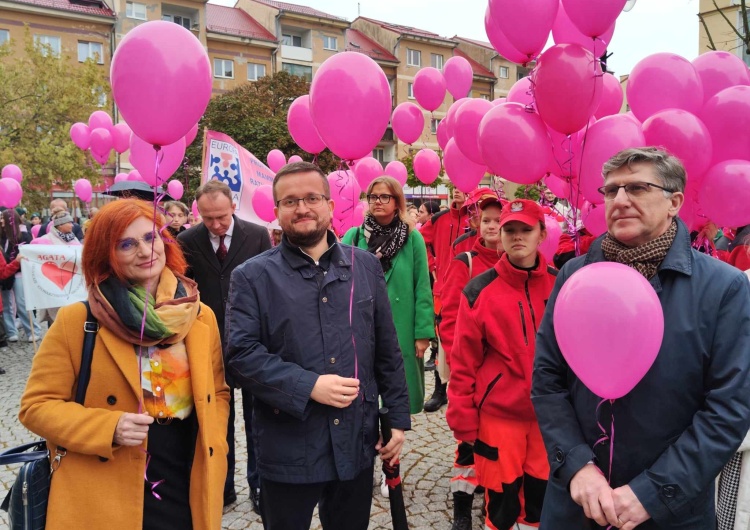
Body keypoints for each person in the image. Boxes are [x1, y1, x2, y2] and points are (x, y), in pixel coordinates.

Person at [532, 147, 750, 530]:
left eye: (636, 188)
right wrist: (577, 465)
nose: (619, 200)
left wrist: (652, 492)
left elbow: (730, 407)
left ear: (674, 202)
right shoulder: (573, 277)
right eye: (611, 190)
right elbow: (548, 380)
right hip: (577, 505)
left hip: (671, 513)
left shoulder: (724, 287)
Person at [18, 199, 230, 530]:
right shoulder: (80, 320)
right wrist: (108, 427)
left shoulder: (199, 315)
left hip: (185, 473)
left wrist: (217, 442)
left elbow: (217, 392)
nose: (145, 251)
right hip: (106, 480)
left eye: (150, 237)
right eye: (127, 244)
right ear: (107, 254)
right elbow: (36, 407)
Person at [225, 161, 410, 530]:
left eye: (311, 197)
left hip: (355, 442)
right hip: (288, 446)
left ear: (329, 204)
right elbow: (239, 357)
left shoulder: (365, 267)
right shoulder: (252, 276)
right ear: (276, 211)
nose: (302, 208)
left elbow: (386, 349)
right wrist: (308, 386)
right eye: (290, 201)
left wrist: (398, 420)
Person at [447, 199, 555, 530]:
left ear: (542, 234)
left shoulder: (561, 282)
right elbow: (463, 361)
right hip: (499, 417)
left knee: (539, 500)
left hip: (547, 417)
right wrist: (463, 417)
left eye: (526, 229)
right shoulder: (478, 290)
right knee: (502, 503)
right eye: (510, 230)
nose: (517, 236)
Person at [178, 179, 271, 512]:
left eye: (220, 217)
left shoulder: (258, 234)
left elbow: (269, 284)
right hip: (208, 343)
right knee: (217, 420)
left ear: (233, 206)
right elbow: (183, 289)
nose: (216, 225)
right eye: (208, 219)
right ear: (198, 214)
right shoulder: (186, 240)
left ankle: (259, 486)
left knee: (256, 419)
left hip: (251, 341)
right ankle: (222, 486)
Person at [342, 176, 434, 415]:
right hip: (363, 324)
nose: (378, 202)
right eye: (373, 197)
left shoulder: (413, 238)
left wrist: (423, 334)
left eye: (385, 197)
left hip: (400, 325)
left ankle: (393, 444)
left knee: (398, 395)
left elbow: (422, 287)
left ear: (397, 201)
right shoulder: (353, 237)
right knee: (363, 391)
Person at [439, 194, 504, 530]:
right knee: (468, 441)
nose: (494, 226)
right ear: (478, 222)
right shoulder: (465, 261)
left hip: (507, 379)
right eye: (488, 220)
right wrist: (463, 365)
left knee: (500, 443)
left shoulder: (521, 261)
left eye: (499, 220)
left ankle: (494, 498)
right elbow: (449, 319)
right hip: (474, 373)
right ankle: (462, 506)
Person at [421, 187, 470, 412]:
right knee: (442, 342)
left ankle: (467, 391)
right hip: (443, 291)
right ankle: (440, 391)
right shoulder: (439, 218)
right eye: (455, 187)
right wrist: (432, 266)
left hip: (470, 292)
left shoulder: (478, 220)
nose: (459, 191)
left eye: (464, 188)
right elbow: (422, 242)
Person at [1, 209, 41, 343]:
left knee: (21, 302)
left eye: (3, 218)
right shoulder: (1, 235)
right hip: (5, 273)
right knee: (6, 304)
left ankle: (33, 330)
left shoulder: (23, 235)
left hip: (19, 273)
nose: (1, 221)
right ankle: (11, 332)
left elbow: (28, 253)